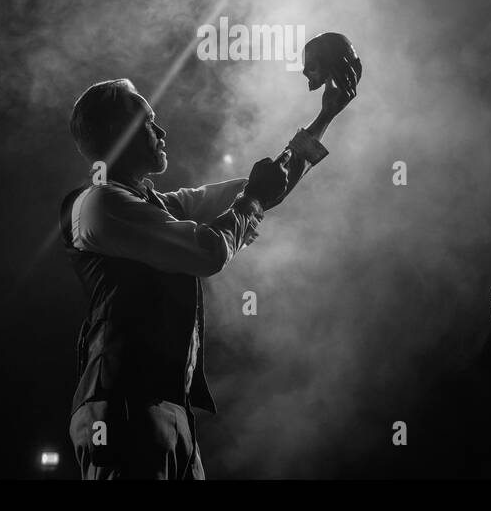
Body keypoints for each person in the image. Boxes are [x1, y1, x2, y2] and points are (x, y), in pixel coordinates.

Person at [60, 66, 357, 479]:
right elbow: (210, 251)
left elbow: (263, 188)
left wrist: (326, 116)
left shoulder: (156, 205)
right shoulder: (99, 205)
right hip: (123, 409)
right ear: (118, 132)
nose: (161, 132)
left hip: (163, 409)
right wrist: (253, 198)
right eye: (148, 121)